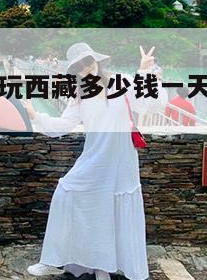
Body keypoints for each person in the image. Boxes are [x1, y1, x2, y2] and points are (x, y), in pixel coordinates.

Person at [23, 43, 166, 280]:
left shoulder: (121, 82)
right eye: (79, 66)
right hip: (95, 158)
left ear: (96, 60)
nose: (85, 68)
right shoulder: (79, 96)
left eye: (87, 62)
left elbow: (148, 104)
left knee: (109, 210)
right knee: (66, 193)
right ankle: (54, 260)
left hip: (121, 159)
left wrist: (145, 71)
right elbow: (62, 125)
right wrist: (36, 115)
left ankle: (102, 269)